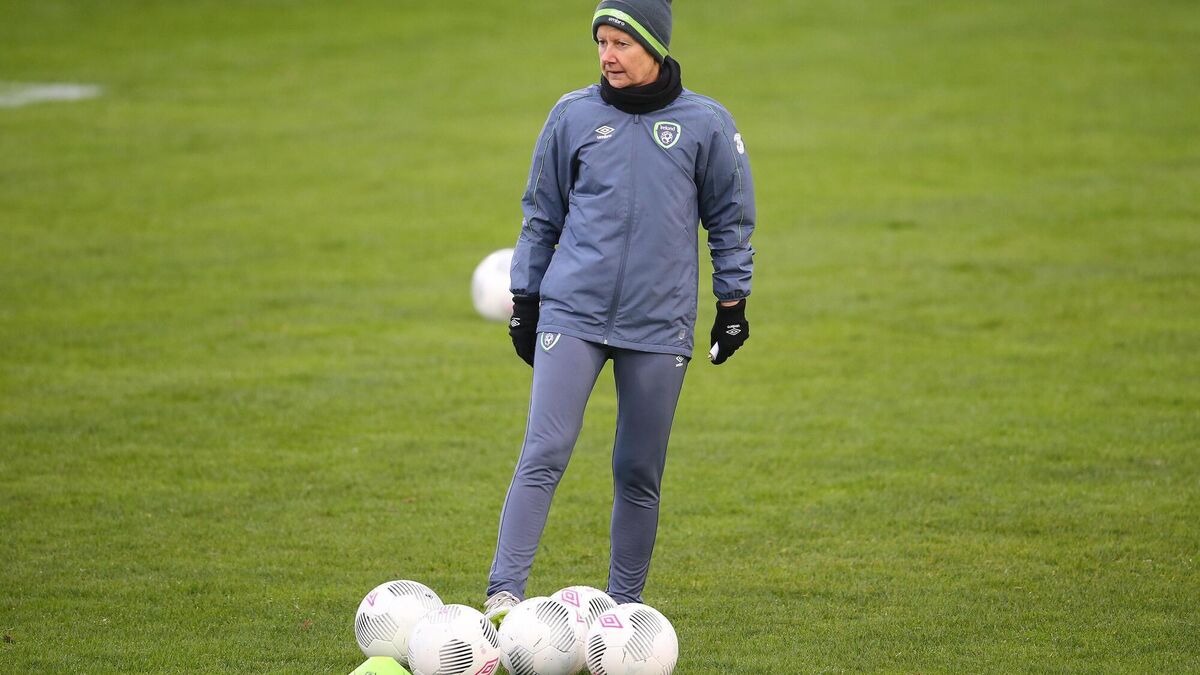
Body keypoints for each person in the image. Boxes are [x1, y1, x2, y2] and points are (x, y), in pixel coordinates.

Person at [485, 0, 756, 620]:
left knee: (638, 470)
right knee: (545, 450)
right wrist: (526, 299)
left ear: (654, 46)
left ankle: (623, 612)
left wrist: (732, 305)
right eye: (601, 43)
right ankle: (503, 596)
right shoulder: (573, 115)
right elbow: (541, 215)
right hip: (572, 313)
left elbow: (731, 222)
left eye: (621, 43)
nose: (607, 56)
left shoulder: (706, 124)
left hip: (659, 324)